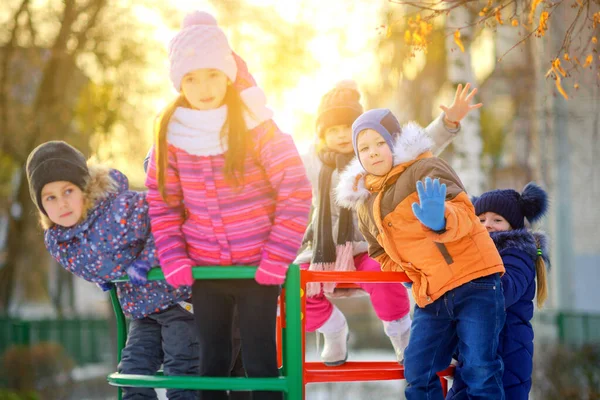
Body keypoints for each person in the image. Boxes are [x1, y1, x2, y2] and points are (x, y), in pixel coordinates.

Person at [144, 10, 311, 400]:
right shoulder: (171, 133)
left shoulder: (256, 124)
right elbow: (163, 202)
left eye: (212, 74)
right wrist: (175, 259)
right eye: (191, 78)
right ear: (178, 82)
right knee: (213, 361)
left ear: (228, 73)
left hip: (259, 269)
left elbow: (295, 189)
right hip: (205, 272)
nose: (203, 87)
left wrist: (275, 256)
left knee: (259, 360)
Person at [295, 79, 469, 365]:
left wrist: (447, 122)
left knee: (384, 275)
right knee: (293, 284)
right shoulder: (313, 162)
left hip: (366, 249)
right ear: (321, 135)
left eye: (346, 129)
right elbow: (278, 166)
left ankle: (402, 338)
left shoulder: (374, 156)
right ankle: (334, 330)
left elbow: (415, 148)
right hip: (322, 255)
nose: (340, 136)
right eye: (332, 130)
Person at [336, 107, 506, 399]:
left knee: (479, 368)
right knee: (418, 368)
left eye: (380, 143)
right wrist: (412, 276)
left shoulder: (425, 168)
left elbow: (465, 213)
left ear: (396, 141)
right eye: (364, 148)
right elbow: (379, 252)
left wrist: (440, 219)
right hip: (431, 293)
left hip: (475, 281)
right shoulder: (364, 204)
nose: (373, 153)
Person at [26, 140, 198, 400]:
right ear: (41, 206)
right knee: (132, 372)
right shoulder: (59, 239)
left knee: (181, 371)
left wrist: (147, 261)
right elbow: (94, 263)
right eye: (50, 197)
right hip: (142, 311)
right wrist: (104, 277)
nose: (62, 203)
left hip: (179, 302)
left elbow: (167, 218)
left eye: (68, 191)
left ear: (84, 187)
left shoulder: (119, 208)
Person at [447, 182, 550, 400]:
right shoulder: (474, 254)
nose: (487, 225)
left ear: (513, 226)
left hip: (505, 357)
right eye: (481, 219)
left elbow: (503, 292)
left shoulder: (517, 253)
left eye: (497, 220)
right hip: (476, 355)